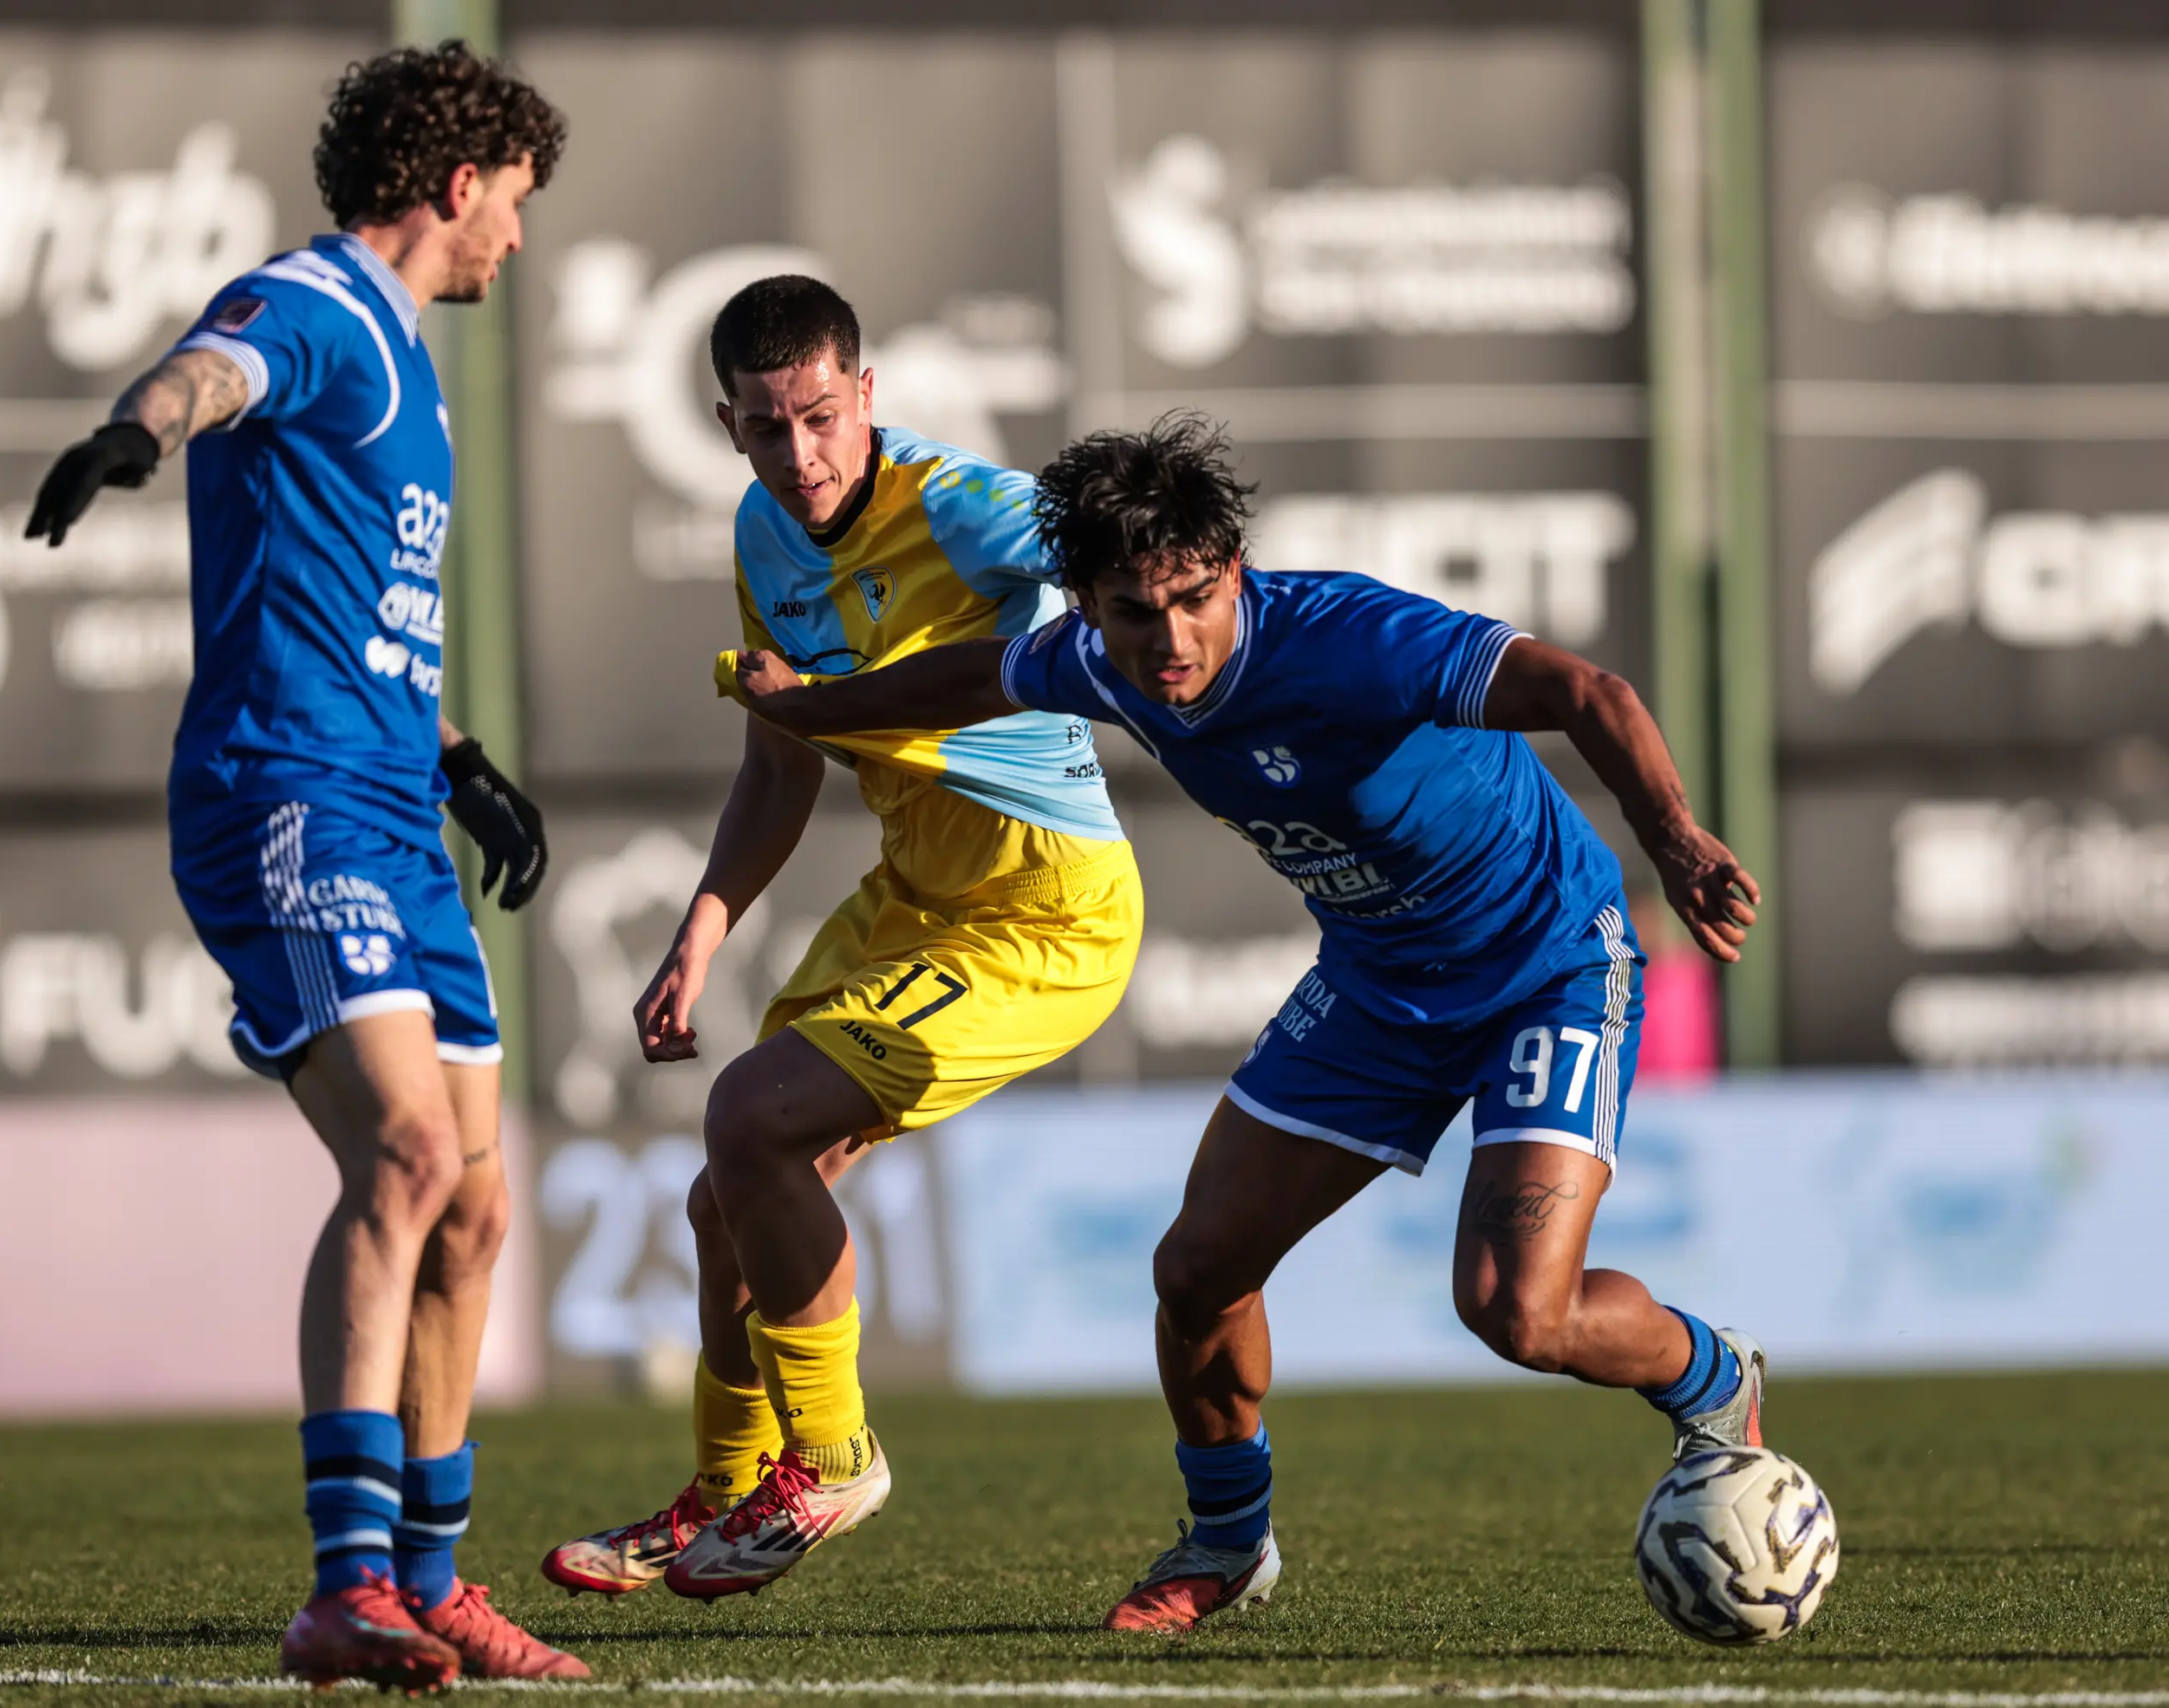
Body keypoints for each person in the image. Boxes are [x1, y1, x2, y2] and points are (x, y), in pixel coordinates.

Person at [727, 413, 1768, 1633]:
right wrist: (821, 707)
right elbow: (966, 675)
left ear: (1233, 566)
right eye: (1133, 610)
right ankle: (1226, 1542)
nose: (1171, 638)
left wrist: (1677, 839)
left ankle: (1717, 1375)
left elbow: (1587, 690)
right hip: (1381, 983)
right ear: (1091, 608)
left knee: (1517, 1312)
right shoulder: (1097, 661)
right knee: (1198, 1269)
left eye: (1195, 597)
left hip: (1544, 960)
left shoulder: (1353, 640)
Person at [23, 42, 583, 1689]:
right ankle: (344, 1586)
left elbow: (364, 608)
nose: (521, 246)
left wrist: (465, 762)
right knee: (408, 1154)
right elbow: (213, 370)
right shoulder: (323, 302)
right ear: (461, 183)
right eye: (520, 208)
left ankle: (430, 1577)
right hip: (288, 796)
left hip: (396, 803)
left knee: (476, 1211)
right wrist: (137, 433)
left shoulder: (399, 362)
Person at [538, 276, 1143, 1600]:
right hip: (917, 891)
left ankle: (834, 1452)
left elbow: (1134, 578)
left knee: (750, 1117)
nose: (801, 456)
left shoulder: (967, 509)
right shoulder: (763, 535)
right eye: (768, 429)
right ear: (727, 424)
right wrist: (699, 933)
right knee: (725, 1201)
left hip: (1043, 910)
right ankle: (723, 1489)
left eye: (822, 417)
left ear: (868, 395)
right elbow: (781, 762)